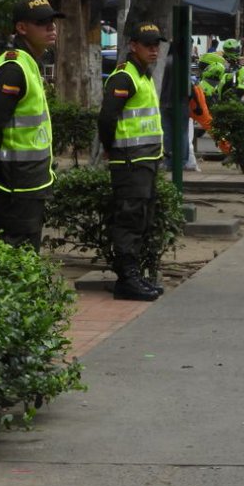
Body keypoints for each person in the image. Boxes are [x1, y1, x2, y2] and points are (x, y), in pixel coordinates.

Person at [0, 0, 61, 251]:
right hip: (15, 183)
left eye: (52, 22)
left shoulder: (30, 64)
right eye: (43, 22)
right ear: (21, 28)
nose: (51, 28)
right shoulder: (13, 67)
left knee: (26, 248)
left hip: (29, 180)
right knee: (17, 251)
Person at [98, 21, 167, 301]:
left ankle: (133, 277)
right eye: (148, 45)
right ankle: (127, 279)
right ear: (133, 46)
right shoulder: (124, 76)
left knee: (141, 219)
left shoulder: (143, 75)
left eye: (156, 45)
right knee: (129, 220)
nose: (154, 50)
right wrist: (110, 148)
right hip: (130, 162)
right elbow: (106, 118)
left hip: (145, 160)